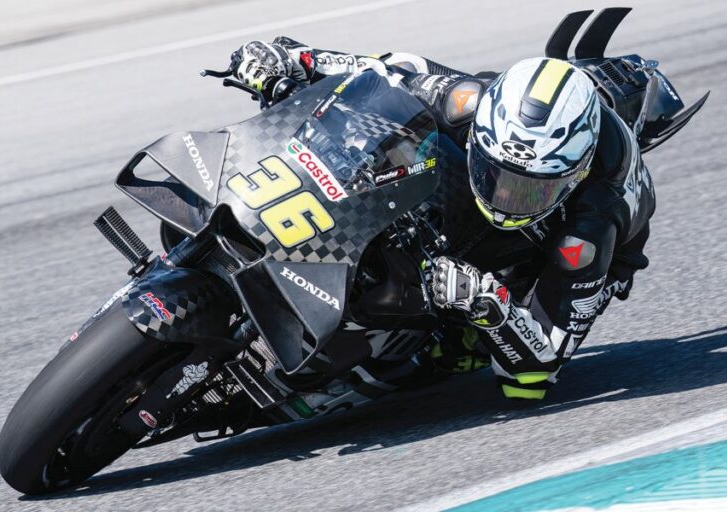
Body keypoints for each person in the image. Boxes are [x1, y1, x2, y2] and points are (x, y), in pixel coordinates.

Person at [228, 38, 655, 399]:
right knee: (394, 141)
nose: (505, 196)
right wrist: (293, 60)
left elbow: (535, 374)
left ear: (574, 176)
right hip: (468, 181)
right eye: (495, 175)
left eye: (528, 189)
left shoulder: (591, 229)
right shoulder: (467, 100)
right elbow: (387, 70)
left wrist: (490, 306)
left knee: (453, 351)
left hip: (546, 257)